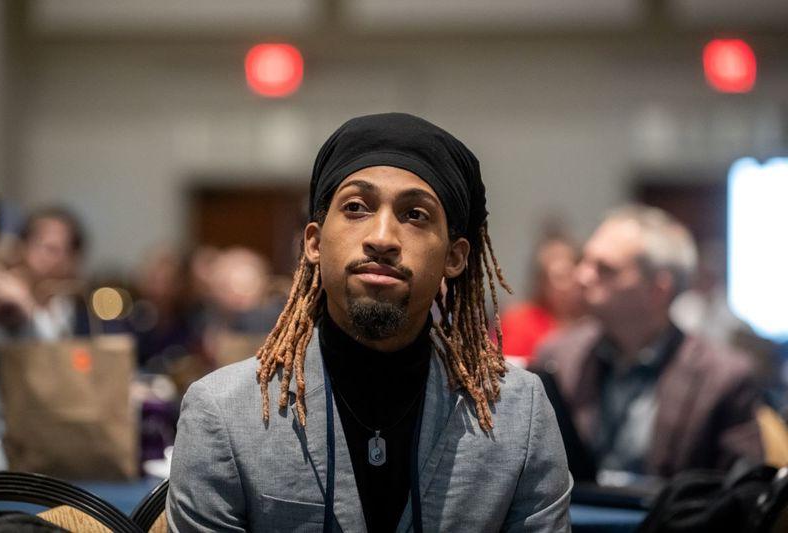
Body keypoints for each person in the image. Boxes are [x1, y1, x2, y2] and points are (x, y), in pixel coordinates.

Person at [168, 113, 572, 532]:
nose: (382, 237)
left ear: (454, 257)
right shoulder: (224, 412)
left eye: (415, 215)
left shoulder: (518, 413)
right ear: (314, 243)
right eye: (356, 207)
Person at [535, 205, 763, 481]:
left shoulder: (723, 378)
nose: (582, 276)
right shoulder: (558, 358)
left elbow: (743, 495)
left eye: (604, 269)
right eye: (584, 261)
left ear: (658, 290)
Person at [501, 234, 582, 363]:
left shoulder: (592, 323)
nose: (569, 284)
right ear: (542, 283)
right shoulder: (519, 321)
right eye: (560, 277)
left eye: (573, 274)